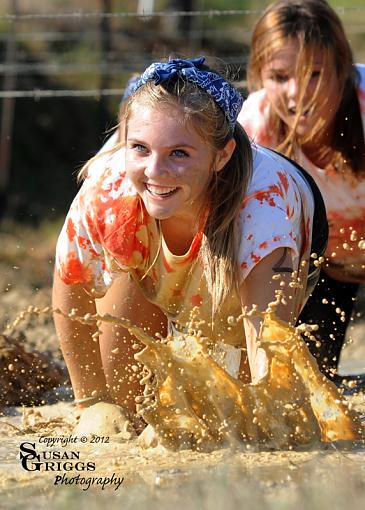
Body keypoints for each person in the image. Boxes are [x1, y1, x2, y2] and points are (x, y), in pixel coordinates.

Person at [52, 57, 327, 423]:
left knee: (256, 417)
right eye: (140, 148)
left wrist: (267, 414)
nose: (155, 171)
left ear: (222, 155)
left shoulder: (264, 213)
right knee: (128, 409)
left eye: (178, 153)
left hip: (263, 240)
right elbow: (72, 285)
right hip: (151, 250)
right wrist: (91, 403)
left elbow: (269, 358)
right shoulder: (109, 189)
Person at [237, 0, 365, 379]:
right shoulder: (254, 126)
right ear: (260, 76)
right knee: (307, 382)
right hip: (320, 270)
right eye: (280, 77)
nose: (297, 94)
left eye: (314, 74)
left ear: (342, 70)